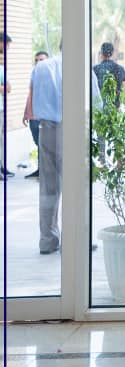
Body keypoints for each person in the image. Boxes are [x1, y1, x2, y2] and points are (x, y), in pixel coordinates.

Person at [29, 46, 102, 254]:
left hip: (46, 128)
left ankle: (47, 240)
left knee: (48, 186)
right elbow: (96, 103)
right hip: (74, 129)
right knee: (77, 186)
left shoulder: (41, 67)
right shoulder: (82, 68)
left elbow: (33, 96)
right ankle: (77, 238)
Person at [23, 51, 49, 179]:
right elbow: (30, 96)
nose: (38, 62)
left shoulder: (51, 76)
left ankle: (45, 172)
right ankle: (40, 170)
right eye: (36, 60)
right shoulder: (34, 74)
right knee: (38, 143)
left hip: (44, 117)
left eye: (41, 60)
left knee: (45, 145)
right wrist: (25, 113)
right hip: (33, 117)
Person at [93, 42, 125, 107]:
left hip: (99, 109)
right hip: (115, 109)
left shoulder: (95, 70)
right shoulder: (121, 69)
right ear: (113, 53)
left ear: (101, 53)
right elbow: (123, 92)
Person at [1, 33, 13, 178]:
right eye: (6, 45)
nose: (8, 48)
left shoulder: (1, 66)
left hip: (1, 109)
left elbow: (9, 88)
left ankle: (2, 167)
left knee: (2, 139)